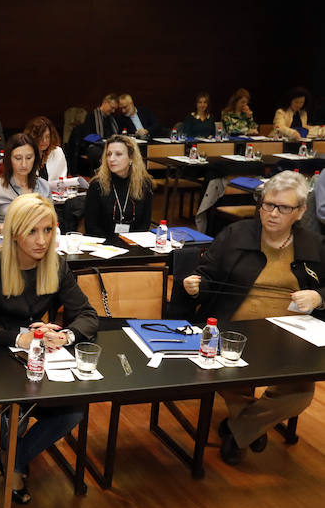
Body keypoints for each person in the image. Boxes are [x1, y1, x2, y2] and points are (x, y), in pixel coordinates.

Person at [182, 171, 325, 466]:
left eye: (284, 208)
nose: (273, 213)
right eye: (268, 204)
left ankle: (240, 429)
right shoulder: (235, 234)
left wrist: (319, 297)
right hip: (233, 328)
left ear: (300, 212)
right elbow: (207, 275)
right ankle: (249, 428)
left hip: (291, 335)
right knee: (226, 376)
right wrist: (195, 284)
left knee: (301, 394)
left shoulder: (314, 244)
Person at [0, 194, 98, 503]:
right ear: (14, 233)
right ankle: (13, 463)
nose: (42, 240)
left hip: (39, 361)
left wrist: (66, 336)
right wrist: (22, 337)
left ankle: (12, 459)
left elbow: (88, 316)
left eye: (48, 230)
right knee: (12, 412)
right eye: (32, 231)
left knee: (73, 411)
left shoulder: (57, 264)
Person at [0, 134, 51, 236]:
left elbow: (51, 223)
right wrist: (0, 228)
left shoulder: (44, 186)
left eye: (29, 158)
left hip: (38, 242)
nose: (24, 164)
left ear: (35, 159)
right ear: (9, 159)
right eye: (18, 158)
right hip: (4, 244)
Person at [83, 134, 153, 241]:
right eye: (109, 154)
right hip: (103, 246)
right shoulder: (97, 185)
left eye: (118, 154)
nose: (111, 159)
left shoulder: (144, 184)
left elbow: (145, 224)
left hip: (134, 244)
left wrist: (130, 243)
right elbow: (91, 226)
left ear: (131, 158)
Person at [26, 116, 67, 183]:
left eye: (47, 136)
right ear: (33, 137)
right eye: (40, 137)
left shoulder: (57, 152)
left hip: (54, 192)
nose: (44, 141)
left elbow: (62, 180)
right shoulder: (25, 153)